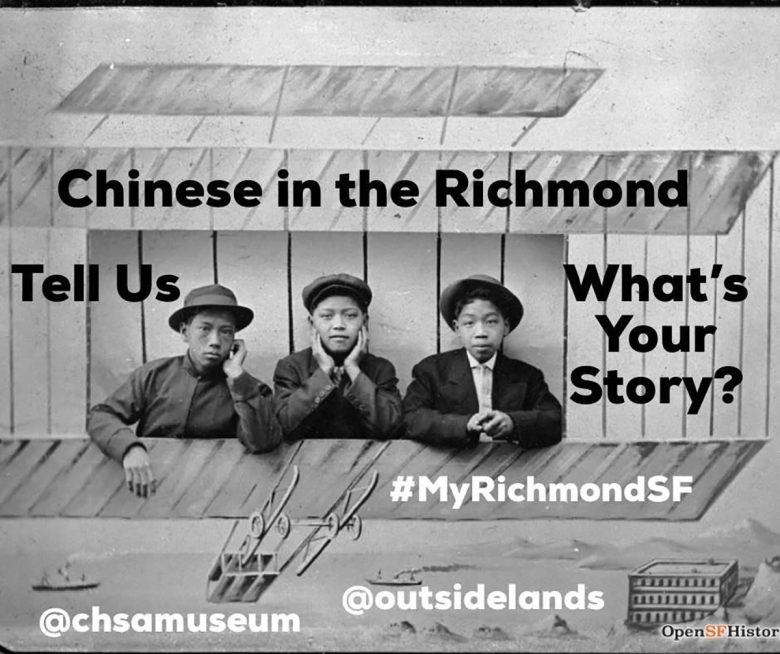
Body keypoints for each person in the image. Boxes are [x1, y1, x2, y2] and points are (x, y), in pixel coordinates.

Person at [88, 284, 282, 497]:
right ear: (184, 332)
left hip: (215, 496)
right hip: (148, 490)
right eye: (205, 329)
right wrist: (129, 448)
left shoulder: (250, 389)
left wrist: (238, 378)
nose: (215, 341)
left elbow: (262, 442)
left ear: (235, 339)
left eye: (225, 331)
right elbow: (100, 416)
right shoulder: (154, 375)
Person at [403, 274, 562, 448]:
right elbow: (411, 417)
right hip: (451, 468)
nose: (481, 332)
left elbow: (553, 419)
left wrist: (513, 423)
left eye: (491, 322)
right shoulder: (432, 370)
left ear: (506, 326)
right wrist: (464, 425)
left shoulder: (527, 376)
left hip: (511, 470)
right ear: (457, 328)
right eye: (469, 323)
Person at [273, 273, 403, 440]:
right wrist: (324, 372)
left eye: (350, 315)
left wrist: (354, 370)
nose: (339, 325)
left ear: (364, 322)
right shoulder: (292, 367)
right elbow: (284, 426)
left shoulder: (380, 368)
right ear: (312, 324)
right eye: (327, 316)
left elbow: (392, 427)